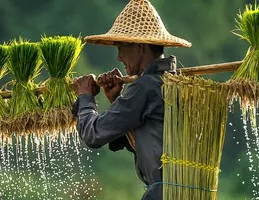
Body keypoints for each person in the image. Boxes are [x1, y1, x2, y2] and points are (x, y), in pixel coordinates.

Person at [71, 0, 192, 199]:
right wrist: (117, 99)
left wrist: (85, 97)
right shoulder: (173, 83)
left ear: (139, 47)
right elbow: (144, 139)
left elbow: (93, 134)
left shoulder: (145, 88)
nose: (119, 57)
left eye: (121, 47)